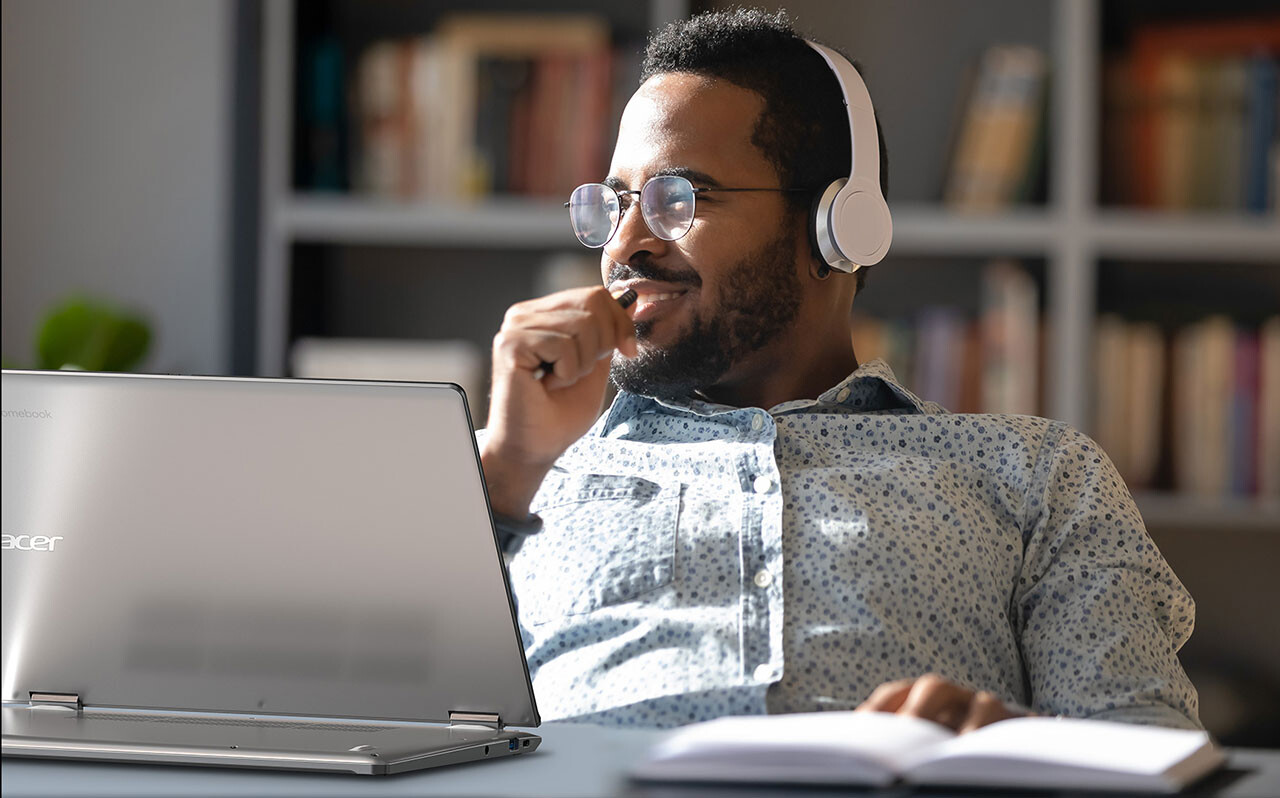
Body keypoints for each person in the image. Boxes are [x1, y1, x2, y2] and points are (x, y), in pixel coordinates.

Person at [477, 8, 1200, 732]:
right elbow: (399, 731)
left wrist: (1013, 746)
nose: (624, 245)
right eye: (616, 204)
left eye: (679, 200)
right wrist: (507, 469)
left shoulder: (1038, 474)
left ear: (838, 224)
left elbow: (1148, 752)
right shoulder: (525, 480)